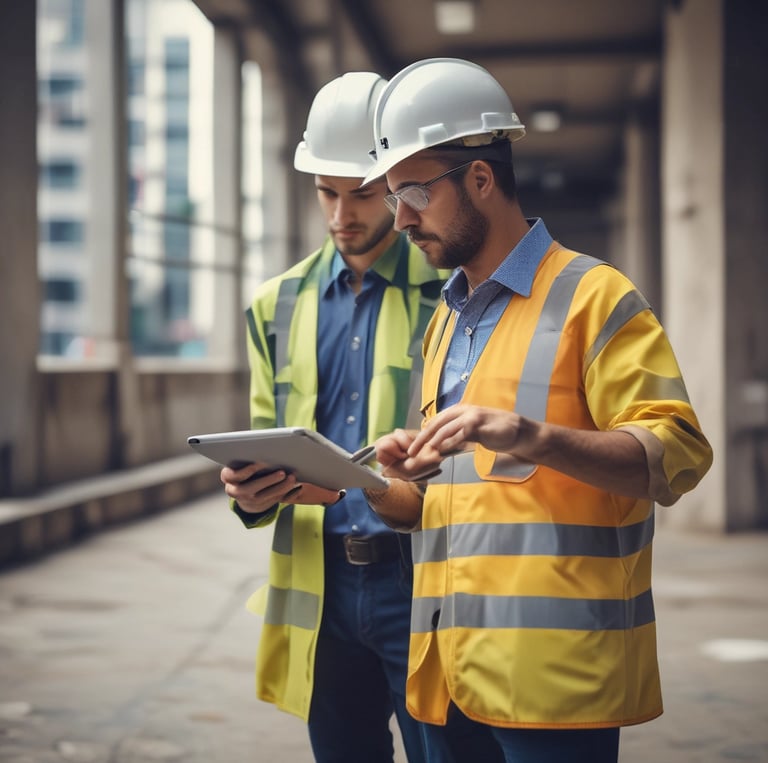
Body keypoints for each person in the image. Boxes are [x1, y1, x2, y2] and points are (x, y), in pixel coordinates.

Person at [359, 58, 714, 763]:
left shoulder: (595, 296)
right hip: (446, 674)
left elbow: (675, 454)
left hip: (555, 684)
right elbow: (443, 504)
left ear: (481, 180)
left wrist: (530, 434)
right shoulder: (443, 319)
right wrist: (381, 483)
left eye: (414, 193)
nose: (399, 218)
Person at [220, 71, 448, 763]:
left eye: (361, 193)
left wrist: (361, 486)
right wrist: (251, 491)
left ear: (396, 183)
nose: (340, 213)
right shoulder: (275, 304)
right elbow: (265, 429)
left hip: (420, 575)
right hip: (318, 583)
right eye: (326, 191)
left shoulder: (452, 294)